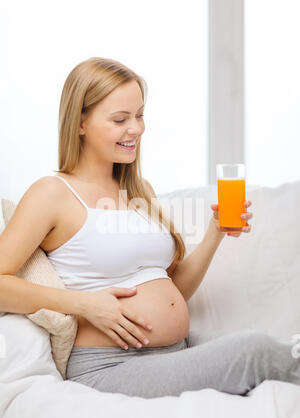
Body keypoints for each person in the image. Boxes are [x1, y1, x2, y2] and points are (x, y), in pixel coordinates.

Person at [0, 57, 299, 399]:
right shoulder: (52, 193)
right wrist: (83, 304)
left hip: (173, 352)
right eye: (120, 119)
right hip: (110, 366)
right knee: (255, 351)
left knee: (274, 340)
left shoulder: (139, 191)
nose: (136, 129)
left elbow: (174, 290)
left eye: (139, 115)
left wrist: (215, 232)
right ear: (80, 122)